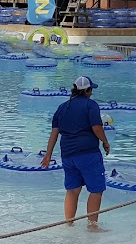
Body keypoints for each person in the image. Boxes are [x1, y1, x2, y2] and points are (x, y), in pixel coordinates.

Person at [41, 75, 111, 231]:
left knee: (72, 190)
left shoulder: (62, 107)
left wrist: (48, 155)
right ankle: (92, 226)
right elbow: (97, 128)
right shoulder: (90, 105)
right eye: (91, 89)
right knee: (96, 190)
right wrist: (105, 142)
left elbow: (54, 133)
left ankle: (69, 224)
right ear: (86, 90)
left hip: (67, 155)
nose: (92, 93)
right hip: (88, 154)